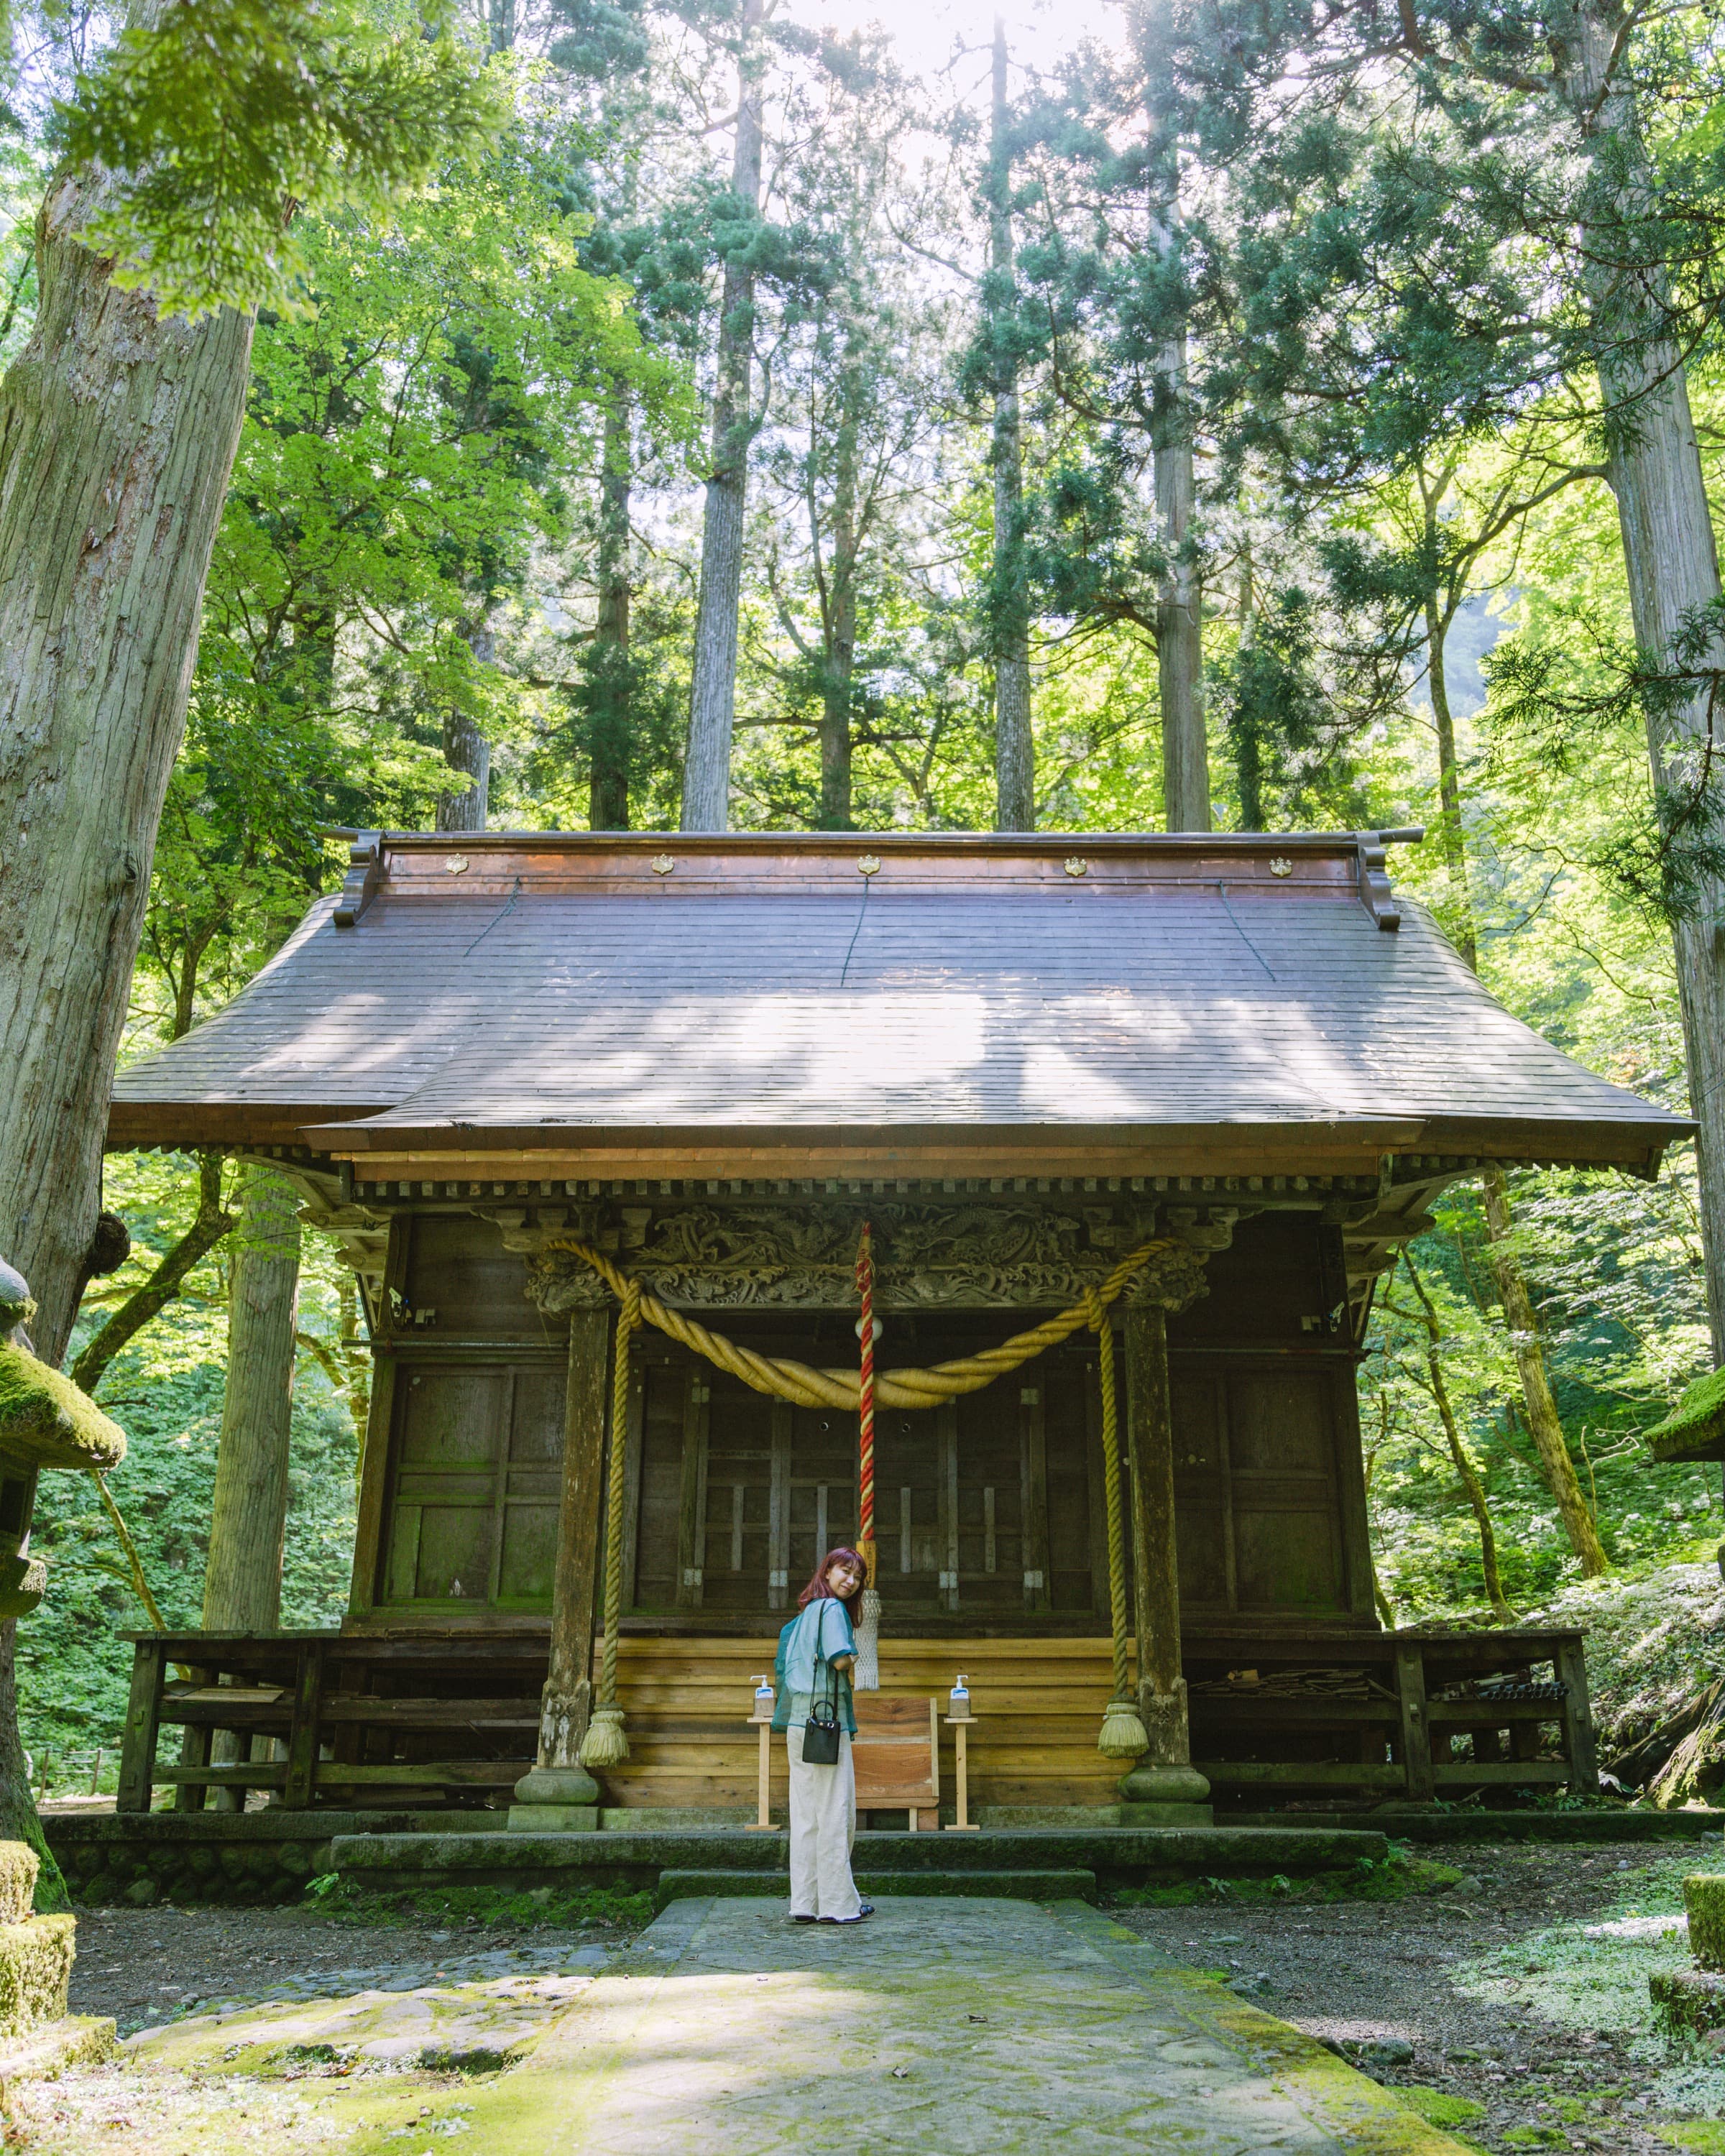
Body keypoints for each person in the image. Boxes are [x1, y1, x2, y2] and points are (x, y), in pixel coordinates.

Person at [771, 1546, 874, 1924]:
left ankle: (805, 1902)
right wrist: (856, 1654)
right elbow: (839, 1657)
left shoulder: (802, 1616)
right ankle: (837, 1905)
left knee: (806, 1815)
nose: (851, 1581)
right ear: (827, 1571)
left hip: (798, 1725)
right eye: (845, 1572)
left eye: (858, 1577)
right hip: (827, 1726)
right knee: (834, 1811)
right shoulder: (831, 1610)